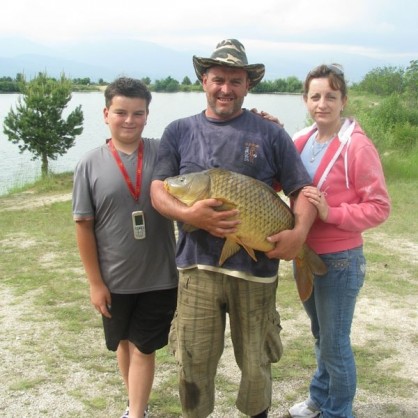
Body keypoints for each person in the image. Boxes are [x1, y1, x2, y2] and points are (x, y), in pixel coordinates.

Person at [150, 39, 318, 418]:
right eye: (218, 79)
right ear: (204, 80)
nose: (225, 88)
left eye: (235, 80)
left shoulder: (271, 134)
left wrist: (299, 235)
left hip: (255, 274)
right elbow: (159, 190)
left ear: (248, 85)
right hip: (197, 270)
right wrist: (191, 216)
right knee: (192, 364)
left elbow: (302, 190)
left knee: (256, 364)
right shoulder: (178, 131)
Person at [287, 64, 391, 418]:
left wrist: (333, 214)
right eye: (315, 96)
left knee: (335, 343)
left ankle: (338, 411)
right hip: (304, 255)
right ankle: (320, 397)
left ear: (343, 100)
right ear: (305, 100)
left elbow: (379, 207)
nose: (322, 103)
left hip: (341, 259)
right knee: (321, 336)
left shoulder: (356, 146)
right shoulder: (300, 140)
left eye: (331, 96)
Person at [72, 77, 178, 418]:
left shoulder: (164, 152)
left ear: (147, 115)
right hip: (114, 280)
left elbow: (209, 152)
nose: (129, 120)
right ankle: (135, 403)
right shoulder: (89, 164)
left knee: (144, 347)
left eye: (138, 113)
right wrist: (95, 283)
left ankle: (136, 413)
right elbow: (83, 226)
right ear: (106, 114)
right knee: (122, 343)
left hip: (160, 276)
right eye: (121, 112)